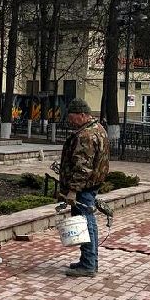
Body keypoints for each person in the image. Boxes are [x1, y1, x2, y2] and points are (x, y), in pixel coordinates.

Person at [59, 99, 110, 278]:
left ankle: (88, 265)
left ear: (82, 115)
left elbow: (82, 168)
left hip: (84, 187)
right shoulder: (99, 129)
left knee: (85, 224)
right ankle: (89, 261)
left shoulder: (86, 136)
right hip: (92, 184)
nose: (70, 122)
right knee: (89, 223)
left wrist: (72, 190)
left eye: (72, 118)